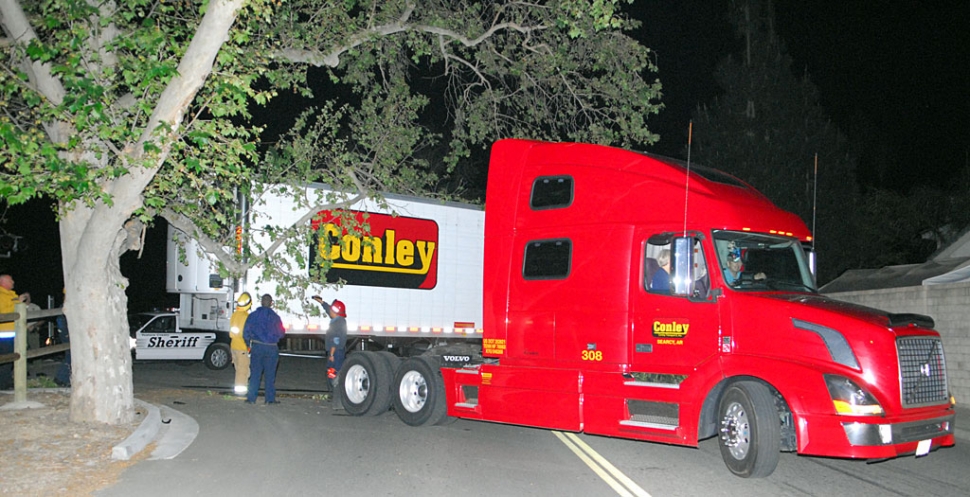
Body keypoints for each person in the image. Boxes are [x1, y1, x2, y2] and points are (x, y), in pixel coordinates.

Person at [243, 294, 285, 404]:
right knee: (270, 375)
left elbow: (246, 332)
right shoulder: (275, 317)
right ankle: (269, 399)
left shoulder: (253, 316)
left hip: (257, 346)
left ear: (261, 302)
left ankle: (251, 398)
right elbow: (281, 333)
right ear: (271, 303)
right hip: (271, 347)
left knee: (255, 374)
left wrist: (248, 344)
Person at [311, 295, 347, 408]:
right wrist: (322, 302)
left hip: (336, 353)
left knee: (333, 374)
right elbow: (329, 310)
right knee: (332, 373)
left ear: (336, 312)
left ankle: (337, 400)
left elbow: (336, 340)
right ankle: (335, 397)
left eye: (331, 310)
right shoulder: (338, 320)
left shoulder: (337, 323)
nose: (329, 311)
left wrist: (331, 354)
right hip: (336, 352)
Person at [0, 274, 26, 389]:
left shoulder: (11, 294)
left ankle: (7, 381)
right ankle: (3, 383)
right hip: (3, 333)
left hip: (14, 332)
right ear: (3, 282)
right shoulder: (1, 295)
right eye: (11, 280)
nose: (13, 282)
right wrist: (17, 303)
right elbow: (4, 310)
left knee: (12, 358)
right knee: (6, 358)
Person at [229, 292, 252, 396]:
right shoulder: (246, 316)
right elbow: (246, 334)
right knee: (242, 372)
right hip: (242, 348)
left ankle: (240, 390)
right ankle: (241, 393)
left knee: (239, 370)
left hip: (234, 346)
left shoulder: (235, 314)